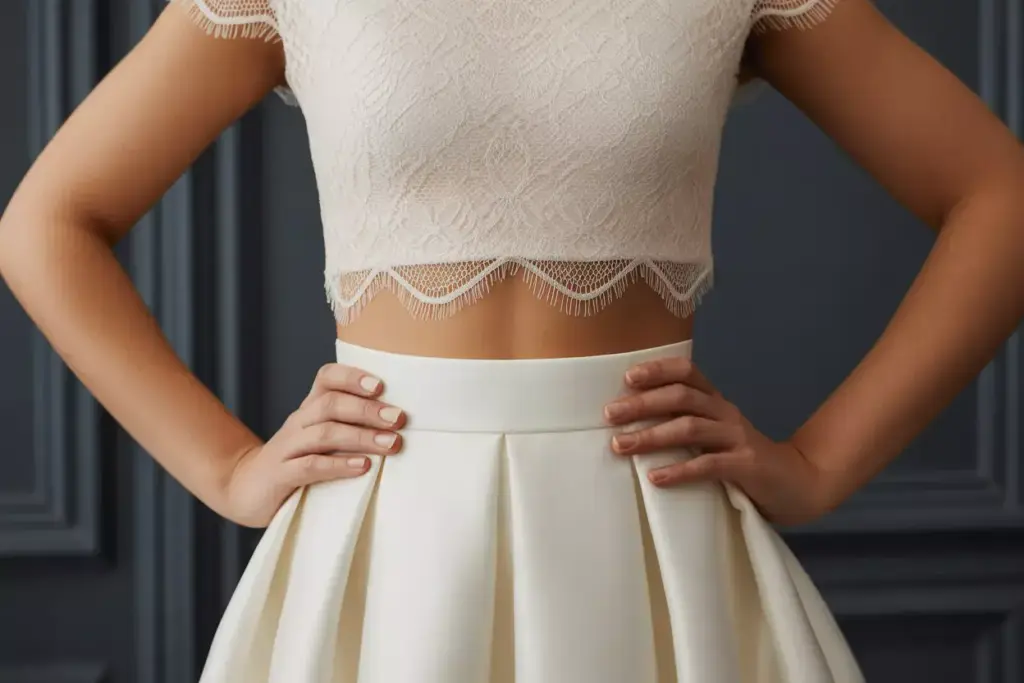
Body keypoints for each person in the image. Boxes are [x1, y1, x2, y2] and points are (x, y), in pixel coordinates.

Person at [1, 0, 1022, 680]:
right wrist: (223, 465)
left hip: (655, 535)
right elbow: (46, 223)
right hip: (385, 540)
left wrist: (820, 463)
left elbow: (1000, 195)